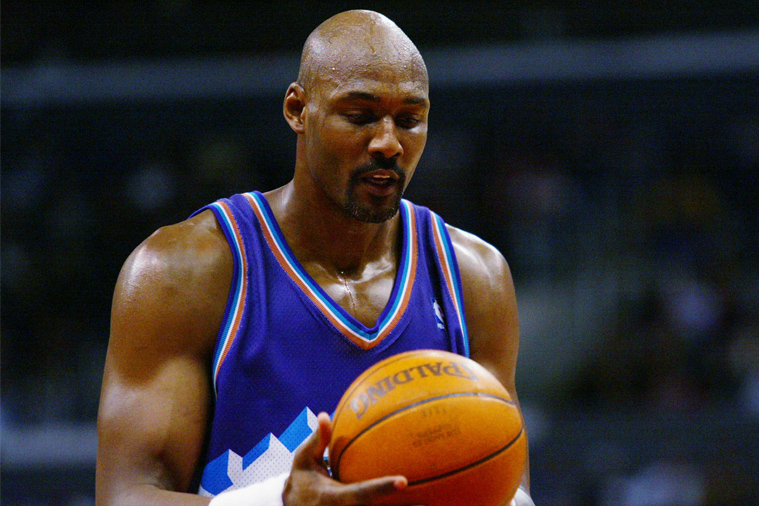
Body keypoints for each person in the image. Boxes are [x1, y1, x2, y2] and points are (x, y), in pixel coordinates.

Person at [96, 9, 533, 506]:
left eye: (410, 120)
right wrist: (279, 503)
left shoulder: (474, 276)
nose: (388, 143)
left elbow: (507, 487)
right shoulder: (183, 271)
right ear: (297, 110)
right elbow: (125, 497)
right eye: (360, 116)